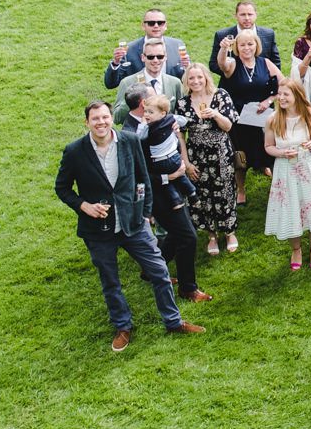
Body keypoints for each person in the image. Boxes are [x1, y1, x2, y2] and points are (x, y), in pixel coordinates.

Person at [56, 102, 204, 352]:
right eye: (95, 119)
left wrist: (146, 213)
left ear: (111, 118)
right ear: (87, 122)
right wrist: (85, 206)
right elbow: (62, 188)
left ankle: (173, 321)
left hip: (134, 223)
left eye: (105, 117)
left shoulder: (129, 141)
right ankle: (123, 326)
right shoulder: (75, 152)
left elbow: (143, 177)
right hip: (99, 230)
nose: (101, 122)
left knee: (159, 271)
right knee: (110, 281)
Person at [134, 91, 208, 305]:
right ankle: (188, 288)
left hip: (173, 188)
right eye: (145, 110)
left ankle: (150, 270)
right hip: (158, 194)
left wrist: (175, 133)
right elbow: (140, 173)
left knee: (177, 234)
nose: (147, 114)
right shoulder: (139, 134)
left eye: (151, 111)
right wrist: (170, 176)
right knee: (188, 237)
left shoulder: (166, 125)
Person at [263, 79, 311, 271]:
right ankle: (296, 249)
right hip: (285, 171)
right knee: (291, 210)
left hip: (309, 168)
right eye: (279, 94)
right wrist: (282, 153)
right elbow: (268, 147)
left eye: (285, 94)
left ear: (297, 96)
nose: (281, 98)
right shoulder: (273, 119)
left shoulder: (310, 115)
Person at [175, 62, 238, 256]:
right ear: (186, 81)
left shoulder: (220, 95)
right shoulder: (182, 104)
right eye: (191, 78)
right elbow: (180, 136)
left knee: (225, 190)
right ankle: (211, 234)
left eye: (199, 77)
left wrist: (216, 114)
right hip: (196, 153)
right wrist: (186, 162)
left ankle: (229, 231)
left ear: (206, 78)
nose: (196, 81)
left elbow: (228, 126)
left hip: (220, 152)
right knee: (203, 193)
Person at [216, 28, 280, 207]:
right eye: (242, 44)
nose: (246, 48)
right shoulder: (233, 64)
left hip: (263, 119)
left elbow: (283, 84)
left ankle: (278, 190)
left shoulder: (265, 62)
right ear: (236, 46)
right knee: (241, 158)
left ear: (256, 45)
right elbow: (222, 65)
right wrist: (223, 49)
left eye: (250, 44)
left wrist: (269, 100)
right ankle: (241, 190)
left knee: (270, 154)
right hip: (240, 121)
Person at [105, 9, 189, 89]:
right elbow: (111, 84)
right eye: (151, 23)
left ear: (165, 25)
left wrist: (187, 67)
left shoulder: (177, 45)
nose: (156, 26)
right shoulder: (129, 50)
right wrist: (115, 63)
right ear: (143, 26)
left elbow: (187, 79)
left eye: (160, 23)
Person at [110, 37, 183, 115]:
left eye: (160, 56)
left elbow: (181, 112)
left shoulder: (175, 83)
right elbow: (117, 117)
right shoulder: (127, 82)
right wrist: (131, 98)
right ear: (143, 57)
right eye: (150, 57)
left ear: (165, 57)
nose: (155, 60)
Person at [209, 0, 279, 78]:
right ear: (235, 16)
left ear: (256, 15)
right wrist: (231, 73)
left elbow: (276, 62)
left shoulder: (268, 34)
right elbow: (213, 64)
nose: (247, 18)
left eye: (250, 14)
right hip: (232, 85)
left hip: (262, 85)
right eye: (242, 14)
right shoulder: (222, 35)